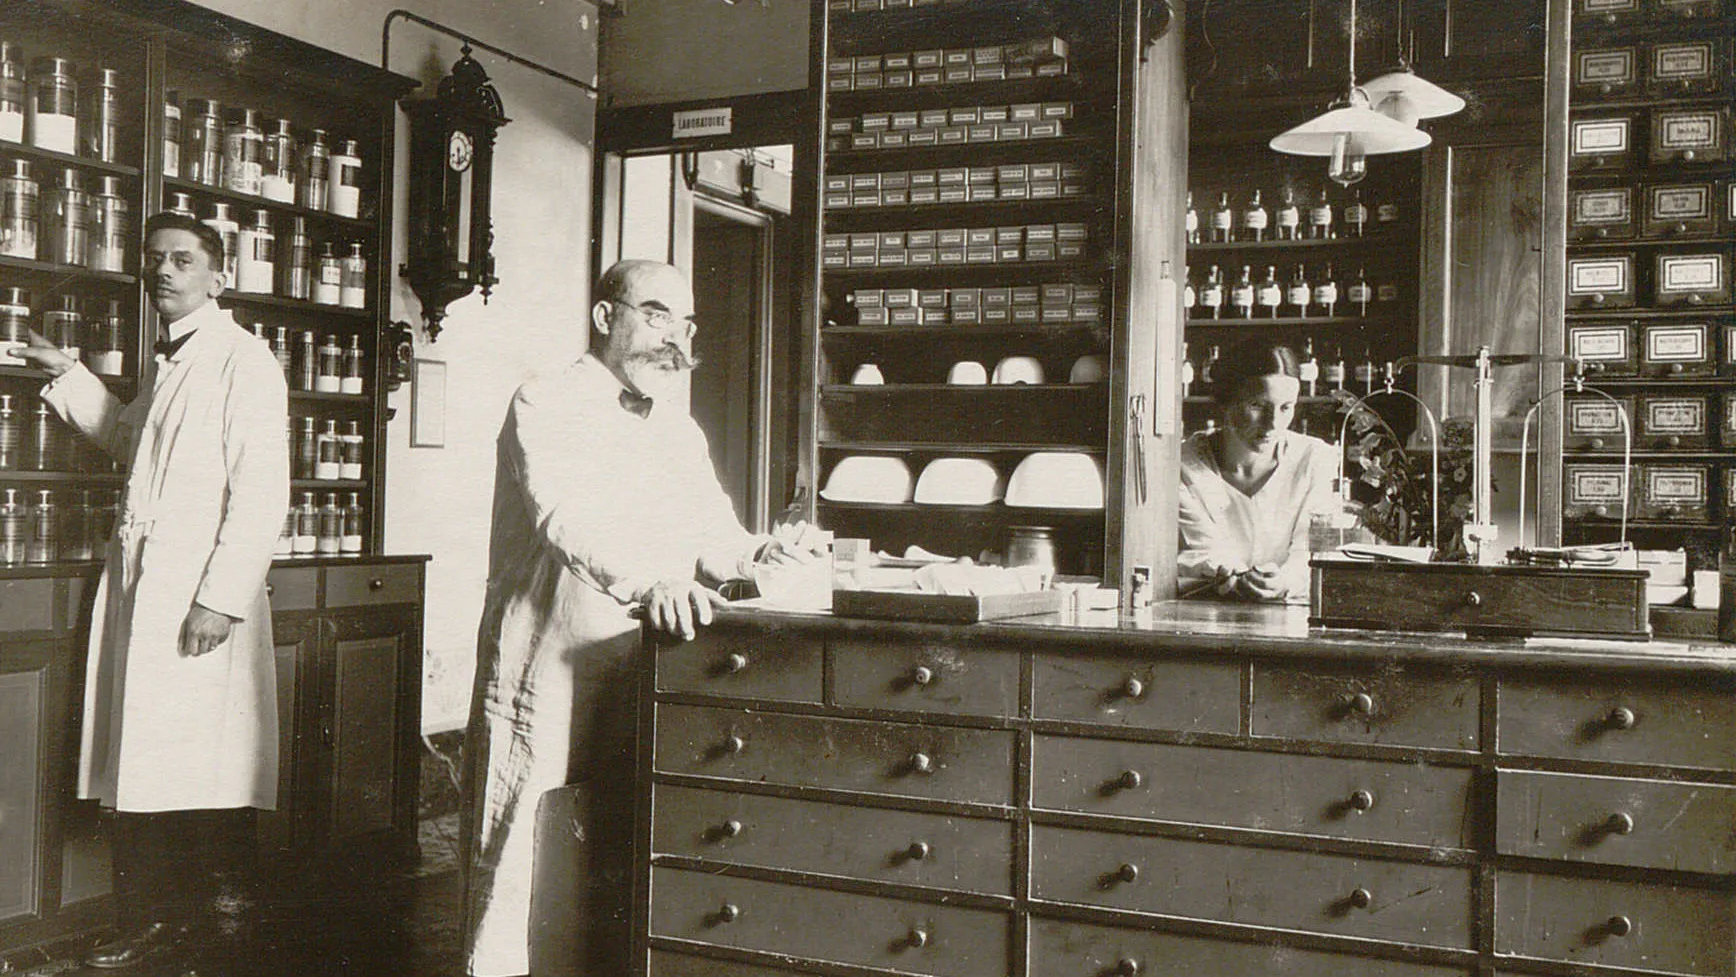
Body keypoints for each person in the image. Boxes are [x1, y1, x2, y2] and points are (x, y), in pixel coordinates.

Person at [462, 259, 818, 977]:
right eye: (657, 314)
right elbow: (567, 516)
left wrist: (767, 549)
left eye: (684, 324)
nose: (674, 338)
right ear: (604, 317)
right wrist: (650, 579)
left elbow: (714, 535)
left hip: (646, 658)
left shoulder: (677, 431)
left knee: (622, 844)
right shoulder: (544, 401)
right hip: (547, 658)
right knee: (522, 844)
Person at [9, 212, 289, 970]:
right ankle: (161, 923)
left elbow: (263, 493)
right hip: (149, 590)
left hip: (196, 599)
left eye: (184, 260)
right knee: (152, 761)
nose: (164, 271)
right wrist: (65, 373)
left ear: (218, 275)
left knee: (192, 768)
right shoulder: (176, 363)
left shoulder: (244, 361)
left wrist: (219, 599)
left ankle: (192, 926)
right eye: (156, 259)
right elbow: (133, 438)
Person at [1178, 338, 1338, 602]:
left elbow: (1316, 549)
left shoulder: (1315, 457)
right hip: (1211, 612)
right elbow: (1201, 549)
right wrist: (1236, 577)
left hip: (1292, 611)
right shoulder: (1186, 465)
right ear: (1226, 402)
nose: (1273, 423)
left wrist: (1285, 582)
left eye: (1286, 408)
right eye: (1257, 406)